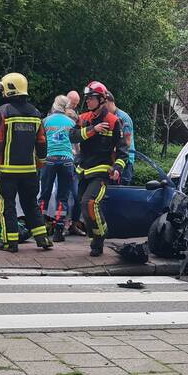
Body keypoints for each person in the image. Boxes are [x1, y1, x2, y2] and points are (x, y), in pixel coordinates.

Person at [0, 72, 52, 253]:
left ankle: (9, 242)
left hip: (7, 170)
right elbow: (42, 141)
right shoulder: (36, 113)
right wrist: (41, 161)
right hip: (29, 171)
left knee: (7, 205)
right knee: (31, 203)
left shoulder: (2, 112)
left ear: (10, 90)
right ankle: (43, 238)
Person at [70, 80, 126, 257]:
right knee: (84, 206)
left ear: (102, 99)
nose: (87, 101)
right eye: (87, 99)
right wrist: (93, 129)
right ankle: (96, 236)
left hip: (101, 172)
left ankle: (100, 238)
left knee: (90, 202)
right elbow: (73, 136)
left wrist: (117, 166)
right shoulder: (84, 118)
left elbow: (123, 151)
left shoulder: (114, 121)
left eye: (91, 98)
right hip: (84, 170)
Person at [39, 95, 76, 242]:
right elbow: (76, 145)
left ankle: (40, 229)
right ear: (67, 107)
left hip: (49, 160)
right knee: (63, 196)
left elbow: (41, 142)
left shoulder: (45, 121)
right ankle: (58, 231)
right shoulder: (71, 122)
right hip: (67, 160)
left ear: (54, 105)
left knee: (44, 194)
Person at [106, 92, 136, 185]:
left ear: (107, 102)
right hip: (112, 161)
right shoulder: (107, 117)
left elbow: (127, 141)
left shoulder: (123, 117)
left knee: (122, 190)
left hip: (125, 161)